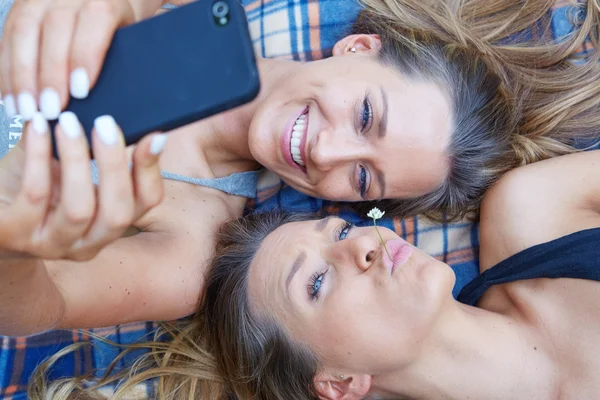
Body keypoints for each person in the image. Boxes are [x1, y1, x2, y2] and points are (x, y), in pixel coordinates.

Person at [0, 0, 599, 336]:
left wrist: (15, 250)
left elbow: (40, 307)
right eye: (366, 114)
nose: (328, 153)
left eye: (364, 178)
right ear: (357, 48)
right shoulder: (180, 12)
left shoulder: (189, 251)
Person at [35, 148, 600, 399]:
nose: (361, 250)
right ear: (338, 383)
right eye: (315, 284)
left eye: (342, 233)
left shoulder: (536, 213)